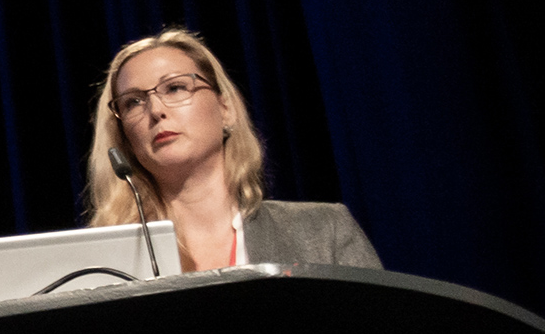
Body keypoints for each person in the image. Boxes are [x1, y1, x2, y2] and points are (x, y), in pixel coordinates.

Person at [85, 27, 381, 271]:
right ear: (124, 140)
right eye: (133, 101)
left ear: (225, 109)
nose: (155, 110)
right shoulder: (102, 260)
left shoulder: (322, 231)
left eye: (175, 88)